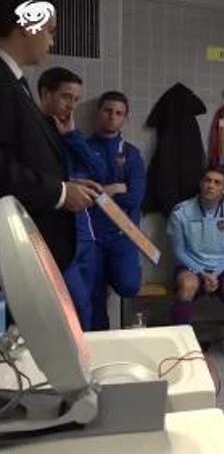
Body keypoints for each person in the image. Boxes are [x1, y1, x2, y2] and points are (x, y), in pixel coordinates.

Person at [0, 0, 99, 271]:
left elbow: (21, 152)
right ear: (25, 25)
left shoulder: (15, 81)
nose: (52, 42)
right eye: (49, 31)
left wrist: (67, 186)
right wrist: (59, 192)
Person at [167, 166, 224, 371]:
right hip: (191, 267)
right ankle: (180, 348)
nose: (211, 185)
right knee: (187, 284)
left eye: (217, 182)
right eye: (207, 180)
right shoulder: (181, 212)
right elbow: (179, 252)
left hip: (222, 268)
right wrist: (202, 273)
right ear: (201, 184)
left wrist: (215, 273)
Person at [36, 67, 107, 330]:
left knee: (85, 304)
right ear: (45, 94)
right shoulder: (34, 132)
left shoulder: (69, 134)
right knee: (70, 307)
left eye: (76, 100)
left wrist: (72, 137)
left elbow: (100, 173)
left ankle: (83, 362)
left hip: (82, 232)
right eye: (66, 97)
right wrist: (64, 186)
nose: (71, 106)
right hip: (49, 232)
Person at [86, 91, 145, 330]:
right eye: (108, 111)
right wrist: (113, 188)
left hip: (123, 234)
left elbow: (134, 198)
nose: (112, 117)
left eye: (119, 113)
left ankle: (113, 271)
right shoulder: (84, 148)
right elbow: (79, 193)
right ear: (99, 113)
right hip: (92, 236)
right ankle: (101, 345)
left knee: (128, 285)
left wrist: (98, 192)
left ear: (125, 119)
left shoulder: (132, 154)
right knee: (93, 298)